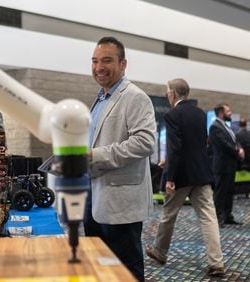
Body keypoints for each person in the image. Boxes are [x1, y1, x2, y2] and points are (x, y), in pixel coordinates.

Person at [84, 36, 155, 282]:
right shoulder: (101, 98)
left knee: (125, 268)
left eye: (106, 61)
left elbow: (145, 143)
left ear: (123, 64)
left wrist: (95, 155)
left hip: (121, 200)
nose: (98, 67)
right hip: (95, 193)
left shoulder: (135, 96)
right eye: (94, 61)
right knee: (99, 262)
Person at [145, 79, 225, 277]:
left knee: (168, 215)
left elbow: (175, 147)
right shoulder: (200, 113)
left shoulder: (173, 114)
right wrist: (168, 161)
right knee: (209, 218)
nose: (166, 95)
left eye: (167, 91)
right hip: (201, 173)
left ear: (172, 93)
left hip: (180, 175)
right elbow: (198, 144)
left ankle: (160, 252)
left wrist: (170, 177)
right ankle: (217, 263)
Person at [209, 103, 244, 227]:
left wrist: (239, 148)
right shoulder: (215, 127)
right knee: (220, 193)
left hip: (230, 165)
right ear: (221, 113)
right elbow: (223, 145)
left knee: (229, 192)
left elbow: (235, 141)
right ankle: (216, 219)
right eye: (228, 111)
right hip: (222, 166)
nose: (231, 113)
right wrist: (237, 152)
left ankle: (227, 216)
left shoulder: (226, 126)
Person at [236, 118, 250, 195]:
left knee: (240, 175)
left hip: (241, 158)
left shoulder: (237, 134)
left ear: (239, 125)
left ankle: (241, 190)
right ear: (246, 125)